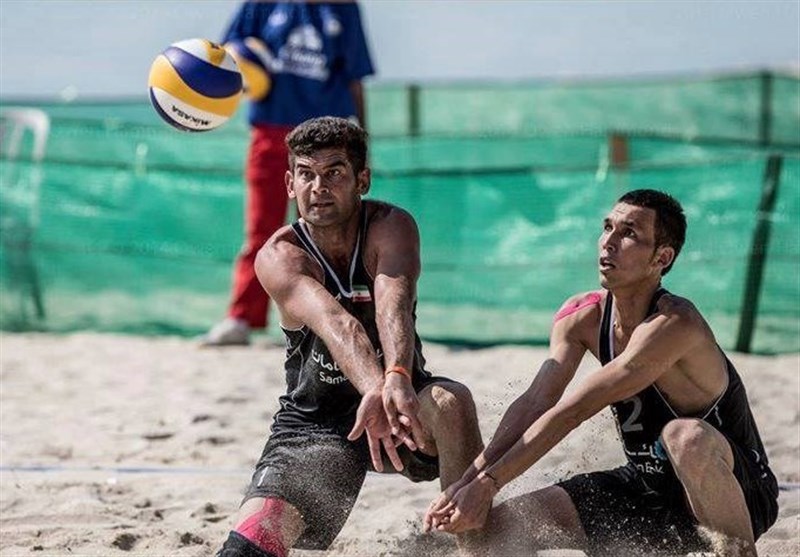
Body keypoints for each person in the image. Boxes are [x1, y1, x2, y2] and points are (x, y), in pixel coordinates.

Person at [425, 189, 778, 557]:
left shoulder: (675, 323)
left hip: (740, 493)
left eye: (629, 233)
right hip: (647, 489)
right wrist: (467, 482)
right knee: (494, 534)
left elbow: (574, 410)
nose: (609, 241)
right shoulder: (582, 316)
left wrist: (489, 482)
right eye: (607, 227)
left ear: (662, 257)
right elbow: (535, 403)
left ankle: (738, 553)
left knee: (684, 436)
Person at [216, 116, 484, 557]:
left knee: (452, 403)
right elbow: (339, 325)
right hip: (315, 423)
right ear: (289, 183)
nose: (318, 186)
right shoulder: (280, 256)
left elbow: (392, 300)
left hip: (403, 405)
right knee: (246, 551)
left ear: (362, 179)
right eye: (306, 173)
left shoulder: (390, 225)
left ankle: (476, 546)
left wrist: (396, 376)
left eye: (334, 173)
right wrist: (376, 386)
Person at [200, 0, 375, 346]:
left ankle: (327, 320)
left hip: (326, 138)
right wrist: (242, 66)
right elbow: (225, 58)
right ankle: (242, 319)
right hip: (270, 131)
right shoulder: (261, 5)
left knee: (326, 232)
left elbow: (354, 77)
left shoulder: (343, 8)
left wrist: (362, 144)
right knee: (262, 231)